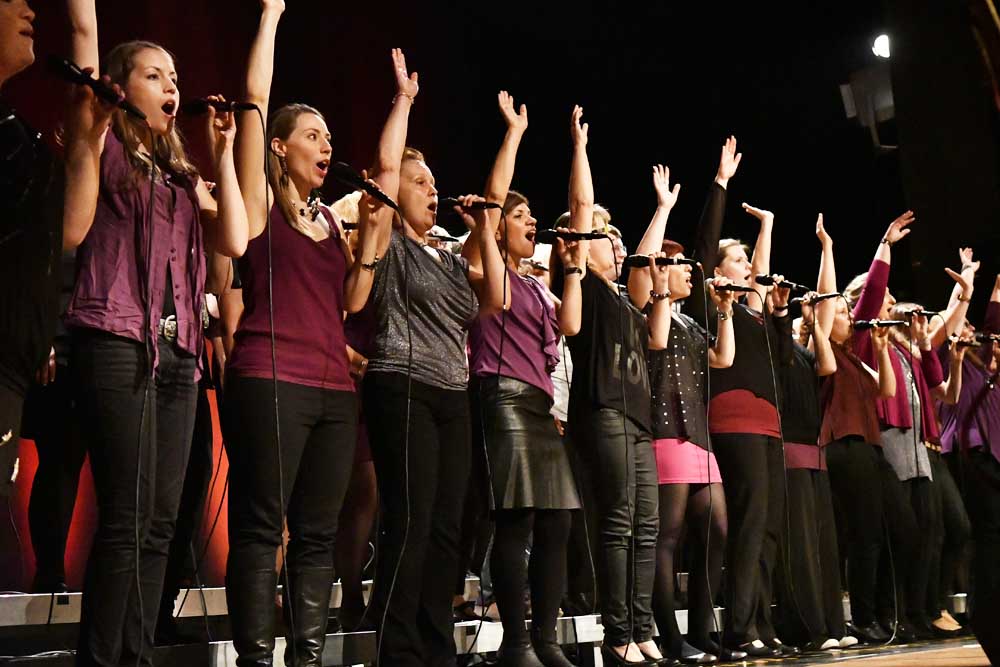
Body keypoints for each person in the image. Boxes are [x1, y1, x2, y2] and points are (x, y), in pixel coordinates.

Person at [64, 0, 249, 664]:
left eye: (174, 75)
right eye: (154, 74)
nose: (172, 86)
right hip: (114, 340)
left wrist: (224, 156)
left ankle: (135, 654)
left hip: (177, 357)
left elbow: (234, 234)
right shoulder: (106, 146)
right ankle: (102, 656)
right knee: (126, 514)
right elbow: (85, 71)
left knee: (161, 521)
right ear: (121, 85)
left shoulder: (181, 175)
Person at [224, 2, 391, 665]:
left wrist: (373, 233)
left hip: (331, 392)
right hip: (270, 376)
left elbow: (352, 299)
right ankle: (256, 657)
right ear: (278, 146)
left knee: (318, 532)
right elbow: (255, 100)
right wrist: (270, 18)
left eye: (328, 137)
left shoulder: (328, 219)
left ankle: (307, 655)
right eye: (312, 136)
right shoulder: (259, 196)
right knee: (263, 526)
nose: (326, 146)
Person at [360, 56, 507, 667]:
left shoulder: (450, 254)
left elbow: (494, 298)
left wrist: (483, 232)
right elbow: (388, 167)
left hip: (451, 393)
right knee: (412, 517)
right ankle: (395, 645)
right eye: (421, 184)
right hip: (401, 383)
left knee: (448, 525)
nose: (432, 190)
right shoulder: (389, 237)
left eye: (433, 183)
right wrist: (404, 100)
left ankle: (434, 644)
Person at [463, 91, 584, 667]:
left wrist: (579, 147)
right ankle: (515, 643)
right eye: (520, 215)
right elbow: (489, 204)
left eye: (533, 215)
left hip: (538, 405)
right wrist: (513, 134)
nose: (531, 222)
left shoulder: (538, 284)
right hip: (501, 396)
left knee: (558, 522)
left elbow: (572, 321)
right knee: (517, 521)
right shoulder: (480, 258)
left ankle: (546, 639)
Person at [555, 106, 671, 666]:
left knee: (647, 524)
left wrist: (662, 210)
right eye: (607, 235)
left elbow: (647, 266)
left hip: (638, 419)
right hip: (601, 411)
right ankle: (618, 630)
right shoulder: (583, 284)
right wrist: (580, 148)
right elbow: (581, 211)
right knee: (620, 520)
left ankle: (643, 628)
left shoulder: (626, 298)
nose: (615, 243)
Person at [684, 137, 793, 658]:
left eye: (746, 258)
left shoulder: (751, 308)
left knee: (768, 528)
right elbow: (704, 247)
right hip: (734, 419)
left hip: (768, 423)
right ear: (717, 273)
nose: (745, 265)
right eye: (737, 258)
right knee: (748, 525)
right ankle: (739, 627)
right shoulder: (711, 305)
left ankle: (761, 623)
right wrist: (721, 184)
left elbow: (762, 276)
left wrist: (766, 228)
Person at [628, 165, 737, 665]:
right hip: (665, 430)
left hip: (699, 436)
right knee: (665, 537)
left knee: (715, 528)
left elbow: (723, 359)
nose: (692, 273)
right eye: (682, 268)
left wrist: (729, 312)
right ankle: (669, 636)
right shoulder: (647, 309)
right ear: (661, 271)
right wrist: (664, 207)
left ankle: (702, 628)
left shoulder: (692, 323)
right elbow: (643, 262)